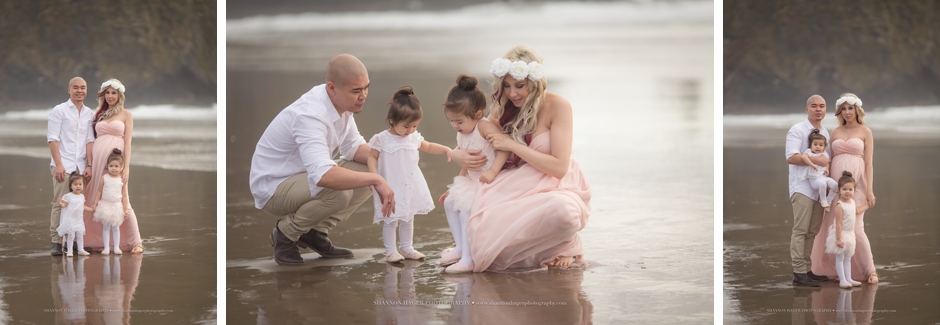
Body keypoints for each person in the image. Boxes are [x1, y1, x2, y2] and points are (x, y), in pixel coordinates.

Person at [447, 44, 591, 272]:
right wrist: (457, 160)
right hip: (516, 182)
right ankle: (537, 252)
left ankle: (563, 244)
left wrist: (512, 145)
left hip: (555, 182)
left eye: (519, 86)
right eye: (506, 85)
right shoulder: (504, 106)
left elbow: (560, 168)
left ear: (535, 82)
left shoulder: (558, 106)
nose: (512, 93)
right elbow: (474, 138)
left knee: (564, 212)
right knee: (482, 225)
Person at [249, 54, 396, 266]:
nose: (364, 95)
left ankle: (314, 233)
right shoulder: (311, 116)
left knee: (371, 167)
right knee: (341, 191)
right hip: (273, 187)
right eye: (356, 90)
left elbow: (354, 149)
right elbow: (323, 176)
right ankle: (285, 234)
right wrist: (377, 180)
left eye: (366, 88)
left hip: (302, 178)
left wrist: (397, 154)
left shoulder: (341, 104)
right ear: (332, 88)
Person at [367, 86, 452, 263]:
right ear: (392, 120)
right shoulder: (381, 139)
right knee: (391, 218)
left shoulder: (413, 137)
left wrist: (445, 149)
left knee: (408, 217)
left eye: (415, 126)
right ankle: (390, 251)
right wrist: (374, 178)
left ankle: (407, 248)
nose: (410, 130)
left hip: (410, 183)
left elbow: (428, 146)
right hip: (389, 183)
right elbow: (372, 158)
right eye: (406, 126)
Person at [437, 74, 508, 273]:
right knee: (451, 202)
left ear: (477, 114)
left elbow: (504, 148)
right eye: (451, 121)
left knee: (466, 211)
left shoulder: (483, 127)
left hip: (489, 181)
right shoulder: (462, 132)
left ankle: (468, 259)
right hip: (472, 180)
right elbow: (467, 164)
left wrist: (493, 171)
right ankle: (460, 248)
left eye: (458, 121)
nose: (455, 126)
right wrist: (456, 185)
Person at [812, 93, 878, 284]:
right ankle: (836, 271)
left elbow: (869, 164)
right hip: (835, 187)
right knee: (833, 226)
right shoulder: (835, 132)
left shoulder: (866, 132)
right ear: (840, 111)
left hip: (856, 185)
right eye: (844, 108)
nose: (847, 112)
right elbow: (829, 161)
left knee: (857, 229)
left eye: (850, 108)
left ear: (857, 109)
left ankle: (870, 270)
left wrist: (869, 191)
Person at [84, 79, 144, 254]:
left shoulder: (126, 114)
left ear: (120, 95)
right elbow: (90, 139)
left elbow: (128, 142)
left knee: (121, 198)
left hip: (116, 164)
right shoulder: (98, 114)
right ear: (103, 95)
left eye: (114, 93)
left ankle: (136, 242)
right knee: (96, 198)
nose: (110, 96)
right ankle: (95, 241)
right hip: (97, 164)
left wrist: (126, 167)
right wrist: (89, 163)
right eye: (107, 93)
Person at [785, 95, 832, 286]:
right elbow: (791, 157)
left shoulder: (825, 133)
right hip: (801, 187)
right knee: (801, 230)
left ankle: (807, 269)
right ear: (807, 109)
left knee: (812, 231)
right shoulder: (797, 130)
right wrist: (817, 160)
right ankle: (798, 272)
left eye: (822, 106)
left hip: (818, 189)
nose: (818, 109)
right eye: (814, 106)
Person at [47, 76, 95, 255]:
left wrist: (89, 165)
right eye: (76, 87)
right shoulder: (59, 110)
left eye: (83, 87)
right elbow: (52, 139)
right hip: (63, 165)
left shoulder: (89, 113)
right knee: (60, 203)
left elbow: (90, 141)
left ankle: (74, 243)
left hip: (81, 167)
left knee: (77, 205)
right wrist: (59, 164)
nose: (80, 90)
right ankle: (56, 243)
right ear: (69, 90)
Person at [825, 171, 863, 289]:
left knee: (848, 258)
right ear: (839, 190)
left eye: (850, 189)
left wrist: (868, 205)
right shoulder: (839, 205)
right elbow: (839, 224)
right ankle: (842, 280)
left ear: (854, 191)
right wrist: (838, 239)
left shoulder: (852, 202)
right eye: (844, 189)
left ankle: (849, 278)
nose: (847, 192)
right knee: (840, 258)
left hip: (850, 235)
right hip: (841, 234)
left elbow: (856, 211)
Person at [90, 149, 131, 255]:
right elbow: (99, 191)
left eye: (116, 166)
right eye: (111, 166)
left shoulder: (122, 180)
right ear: (107, 166)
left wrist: (125, 209)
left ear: (121, 167)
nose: (113, 168)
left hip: (117, 206)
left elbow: (125, 196)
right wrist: (95, 203)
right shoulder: (104, 178)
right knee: (106, 228)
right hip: (105, 205)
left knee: (116, 228)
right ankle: (106, 248)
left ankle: (117, 247)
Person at [798, 129, 838, 211]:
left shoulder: (824, 154)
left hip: (823, 177)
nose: (818, 147)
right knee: (822, 184)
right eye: (815, 144)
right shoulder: (809, 152)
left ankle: (828, 201)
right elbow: (803, 157)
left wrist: (827, 169)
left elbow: (827, 162)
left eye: (820, 145)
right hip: (814, 179)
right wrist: (812, 165)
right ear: (811, 145)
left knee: (835, 185)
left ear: (824, 147)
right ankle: (823, 201)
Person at [56, 172, 93, 256]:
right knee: (71, 236)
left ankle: (81, 249)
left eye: (80, 184)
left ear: (83, 186)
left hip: (79, 219)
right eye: (75, 184)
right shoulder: (68, 196)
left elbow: (82, 206)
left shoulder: (82, 196)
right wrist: (60, 203)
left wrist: (90, 209)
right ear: (70, 186)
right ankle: (69, 251)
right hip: (70, 219)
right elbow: (64, 205)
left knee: (80, 235)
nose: (78, 186)